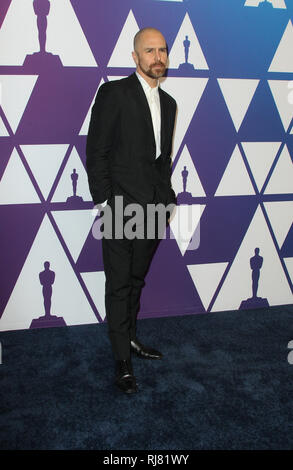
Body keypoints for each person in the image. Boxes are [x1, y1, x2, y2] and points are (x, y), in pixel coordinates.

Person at [86, 27, 177, 394]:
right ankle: (122, 360)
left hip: (154, 208)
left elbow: (162, 158)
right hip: (120, 208)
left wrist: (167, 198)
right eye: (150, 50)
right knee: (119, 285)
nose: (158, 57)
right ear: (135, 57)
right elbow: (97, 152)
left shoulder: (169, 103)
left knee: (137, 280)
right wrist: (105, 204)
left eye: (163, 50)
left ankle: (132, 340)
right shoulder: (114, 93)